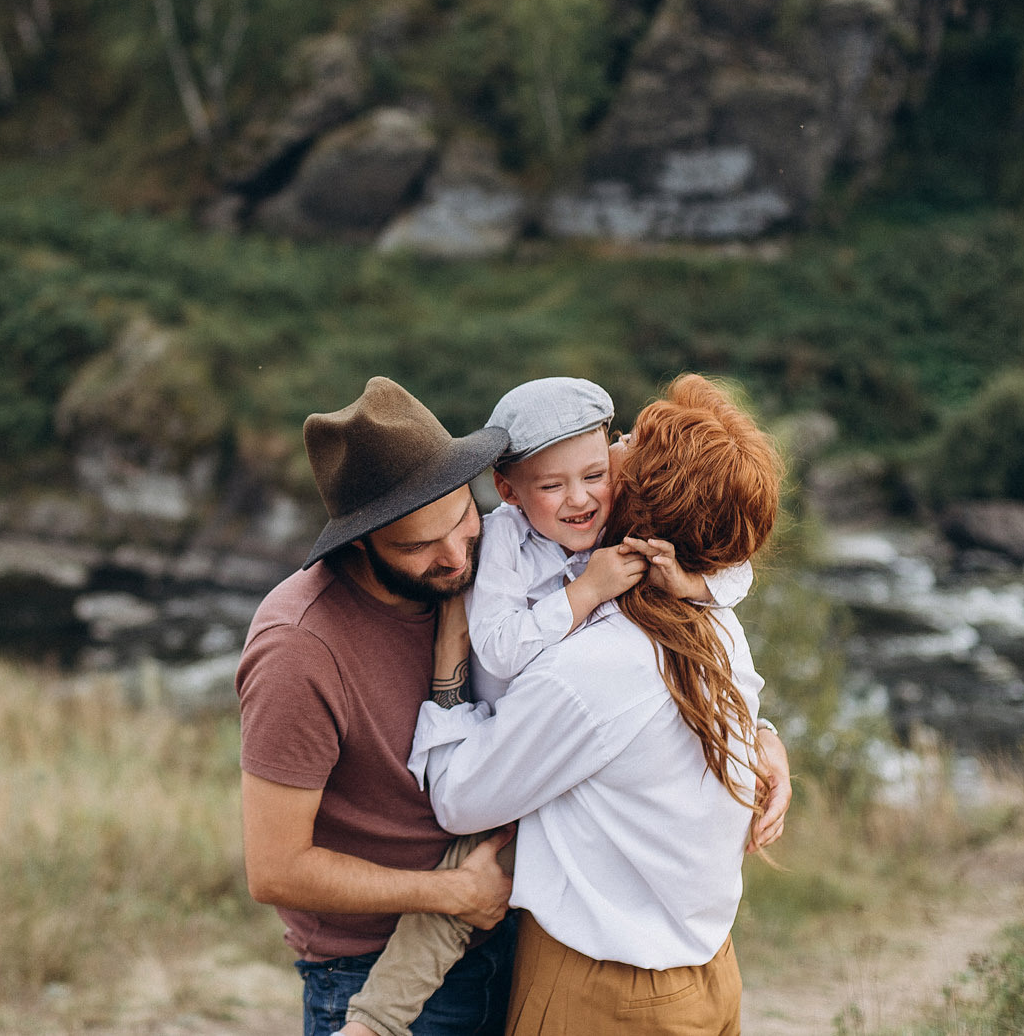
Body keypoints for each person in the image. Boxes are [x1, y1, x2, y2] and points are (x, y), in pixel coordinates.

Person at [235, 376, 791, 1036]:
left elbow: (716, 568)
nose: (454, 556)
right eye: (418, 545)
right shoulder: (302, 645)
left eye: (458, 520)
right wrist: (449, 892)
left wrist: (758, 731)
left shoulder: (560, 545)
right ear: (361, 541)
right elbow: (276, 868)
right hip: (379, 950)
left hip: (521, 926)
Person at [407, 373, 785, 1035]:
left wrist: (447, 670)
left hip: (605, 994)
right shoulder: (713, 616)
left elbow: (461, 798)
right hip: (710, 971)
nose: (617, 444)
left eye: (626, 446)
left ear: (630, 500)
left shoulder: (591, 670)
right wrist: (767, 737)